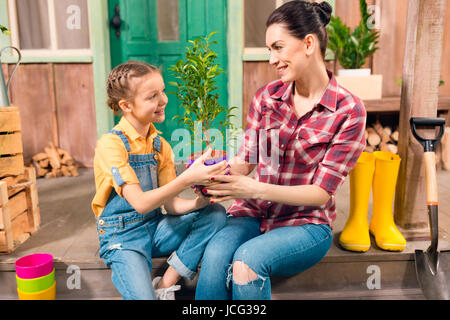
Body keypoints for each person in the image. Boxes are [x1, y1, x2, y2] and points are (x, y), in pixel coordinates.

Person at [195, 0, 366, 300]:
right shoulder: (267, 98)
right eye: (269, 50)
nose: (272, 59)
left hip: (306, 224)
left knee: (248, 261)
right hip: (252, 213)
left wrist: (253, 188)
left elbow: (320, 193)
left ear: (309, 43)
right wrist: (211, 173)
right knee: (214, 255)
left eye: (278, 47)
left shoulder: (349, 111)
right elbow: (245, 162)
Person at [91, 61, 227, 300]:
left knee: (215, 214)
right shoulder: (110, 145)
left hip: (154, 229)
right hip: (122, 238)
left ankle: (164, 284)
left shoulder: (159, 145)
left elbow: (172, 205)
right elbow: (141, 203)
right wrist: (187, 179)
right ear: (126, 106)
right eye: (152, 96)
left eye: (162, 91)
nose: (163, 100)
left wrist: (203, 201)